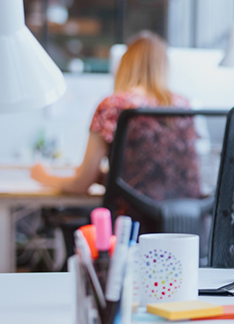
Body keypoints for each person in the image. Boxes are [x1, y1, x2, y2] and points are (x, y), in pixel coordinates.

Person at [31, 31, 201, 202]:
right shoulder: (183, 105)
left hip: (131, 223)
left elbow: (81, 184)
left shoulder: (113, 106)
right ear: (164, 67)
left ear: (125, 65)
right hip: (186, 222)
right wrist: (108, 178)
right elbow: (160, 177)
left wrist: (42, 175)